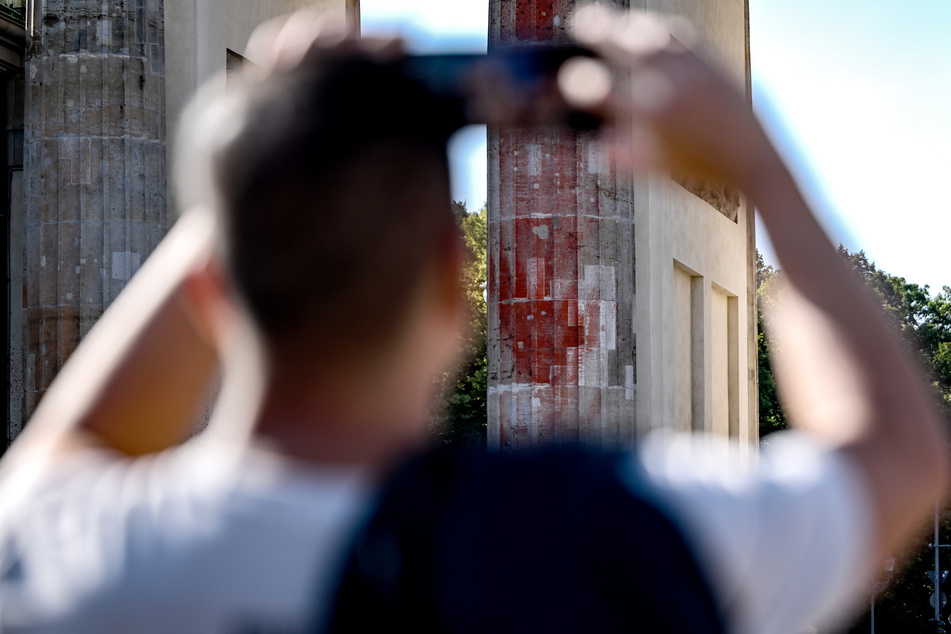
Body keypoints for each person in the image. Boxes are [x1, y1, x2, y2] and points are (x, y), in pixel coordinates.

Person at [0, 6, 946, 633]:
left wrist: (266, 156)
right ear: (457, 283)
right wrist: (757, 166)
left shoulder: (59, 556)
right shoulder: (623, 538)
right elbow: (900, 458)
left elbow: (78, 435)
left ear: (214, 287)